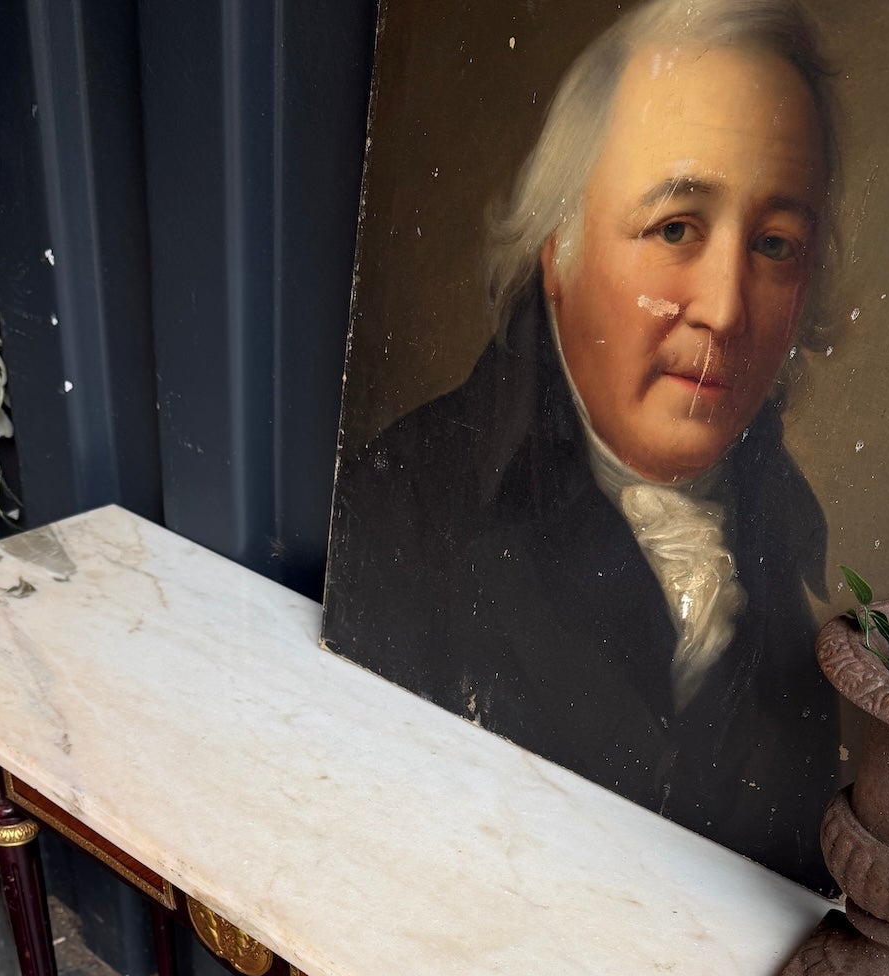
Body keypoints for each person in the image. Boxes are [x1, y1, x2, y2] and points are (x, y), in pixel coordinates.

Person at [323, 0, 843, 891]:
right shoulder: (404, 507)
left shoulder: (789, 546)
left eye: (774, 244)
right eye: (677, 226)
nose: (726, 305)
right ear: (556, 249)